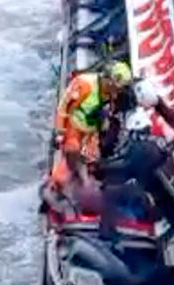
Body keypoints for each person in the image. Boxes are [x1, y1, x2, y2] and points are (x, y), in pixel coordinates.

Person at [49, 61, 134, 190]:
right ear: (111, 81)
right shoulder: (84, 84)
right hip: (74, 128)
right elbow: (63, 108)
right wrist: (60, 132)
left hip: (91, 132)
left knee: (93, 164)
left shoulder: (113, 94)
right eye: (120, 87)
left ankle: (87, 183)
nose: (120, 91)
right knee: (71, 157)